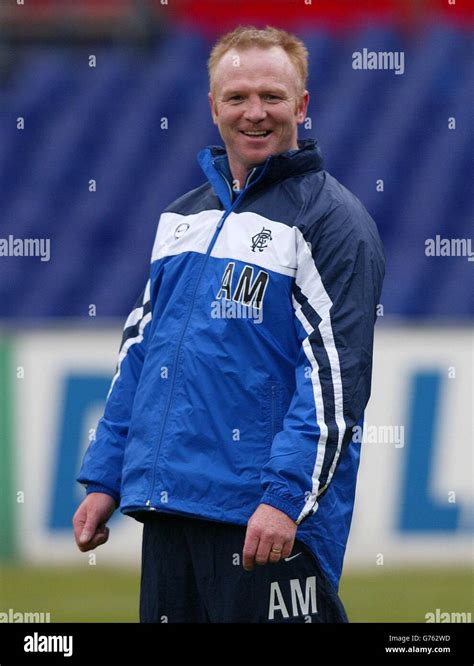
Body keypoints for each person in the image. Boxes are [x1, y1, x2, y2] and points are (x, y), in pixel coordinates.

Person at [73, 25, 385, 623]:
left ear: (302, 105)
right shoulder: (182, 217)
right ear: (213, 105)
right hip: (169, 512)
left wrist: (283, 499)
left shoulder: (333, 221)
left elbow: (336, 383)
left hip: (262, 520)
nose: (255, 113)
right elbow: (140, 353)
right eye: (237, 97)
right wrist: (106, 475)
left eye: (272, 96)